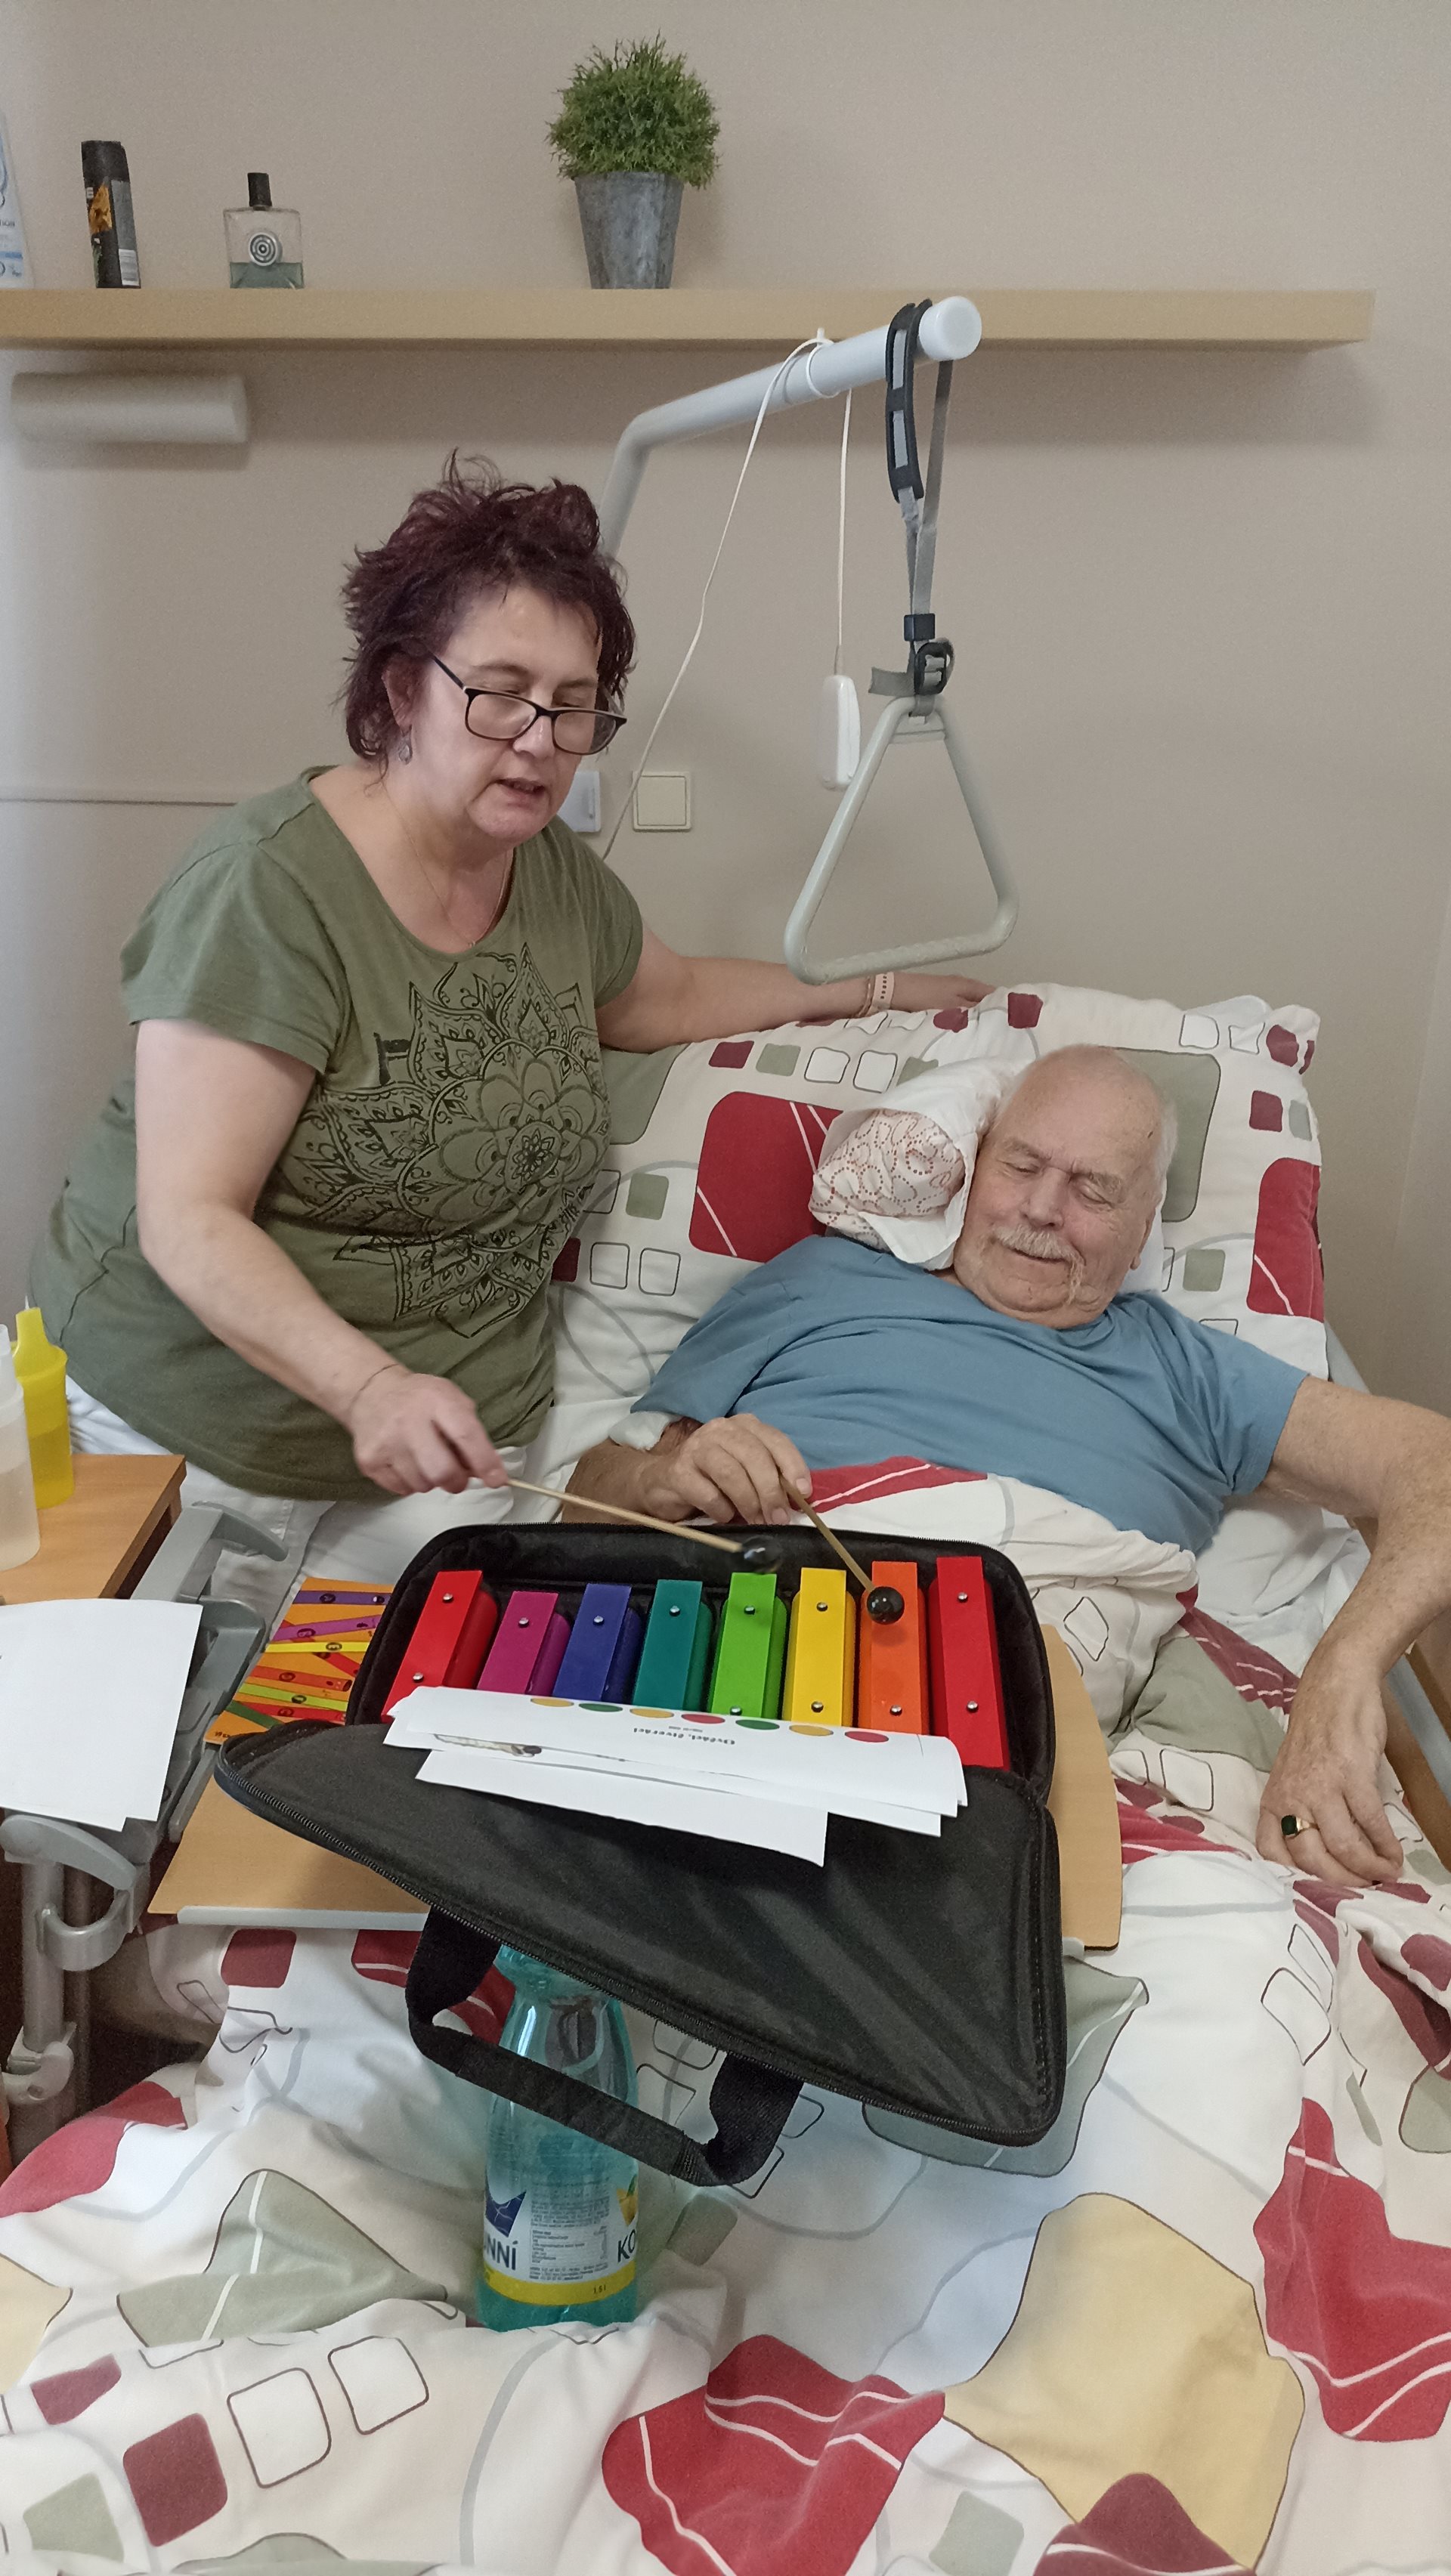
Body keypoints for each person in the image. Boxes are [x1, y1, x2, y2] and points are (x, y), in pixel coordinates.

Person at [32, 459, 983, 1586]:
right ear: (402, 691)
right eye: (500, 692)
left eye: (574, 704)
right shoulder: (267, 890)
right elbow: (190, 1219)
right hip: (193, 1436)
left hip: (456, 1442)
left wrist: (871, 990)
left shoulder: (552, 878)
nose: (540, 738)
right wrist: (368, 1388)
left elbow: (668, 996)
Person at [566, 1047, 1451, 1893]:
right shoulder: (816, 1280)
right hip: (755, 1660)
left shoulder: (1190, 1371)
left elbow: (1434, 1466)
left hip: (1013, 1726)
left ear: (1142, 1228)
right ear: (975, 1169)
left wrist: (1344, 1667)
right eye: (1021, 1165)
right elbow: (583, 1506)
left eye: (1093, 1189)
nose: (1042, 1208)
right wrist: (661, 1477)